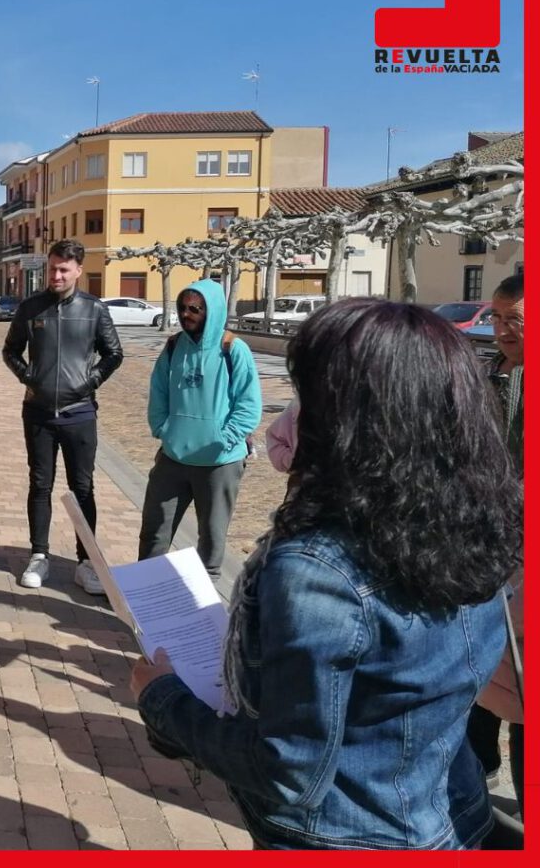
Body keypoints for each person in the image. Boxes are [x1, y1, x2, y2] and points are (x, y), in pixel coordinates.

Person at [129, 298, 522, 850]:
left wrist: (163, 698)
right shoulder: (483, 522)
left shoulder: (316, 568)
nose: (294, 413)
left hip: (344, 837)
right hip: (450, 817)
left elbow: (290, 773)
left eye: (308, 393)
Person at [2, 239, 123, 594]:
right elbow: (10, 350)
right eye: (52, 268)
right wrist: (29, 377)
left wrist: (90, 382)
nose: (55, 275)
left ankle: (87, 562)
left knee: (82, 488)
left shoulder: (94, 310)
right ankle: (39, 555)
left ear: (77, 271)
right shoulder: (31, 308)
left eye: (63, 270)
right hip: (38, 411)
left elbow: (113, 354)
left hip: (79, 413)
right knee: (40, 484)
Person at [137, 281, 262, 579]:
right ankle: (143, 599)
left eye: (196, 308)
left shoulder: (234, 349)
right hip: (173, 459)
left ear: (213, 311)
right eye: (183, 307)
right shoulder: (173, 346)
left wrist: (224, 438)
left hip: (219, 463)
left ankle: (204, 612)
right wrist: (163, 428)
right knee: (154, 532)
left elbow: (249, 403)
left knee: (211, 542)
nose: (187, 314)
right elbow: (158, 390)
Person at [469, 272, 524, 829]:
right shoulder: (487, 373)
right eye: (498, 318)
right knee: (476, 661)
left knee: (523, 685)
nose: (504, 330)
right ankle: (477, 770)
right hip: (479, 549)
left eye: (516, 321)